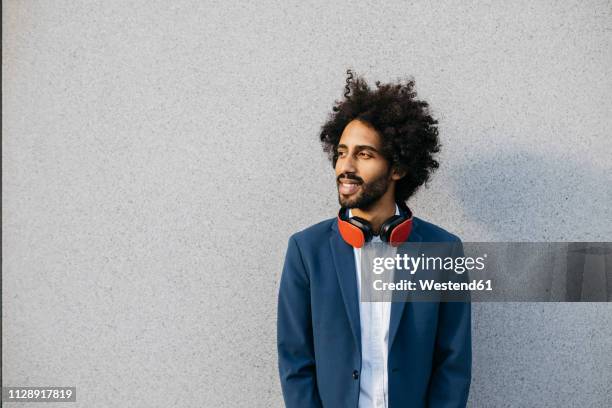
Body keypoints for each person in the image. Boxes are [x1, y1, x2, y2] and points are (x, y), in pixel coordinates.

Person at [277, 70, 471, 408]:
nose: (345, 166)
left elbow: (453, 364)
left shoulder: (445, 250)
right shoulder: (305, 251)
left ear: (396, 168)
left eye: (363, 155)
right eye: (341, 153)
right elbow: (295, 361)